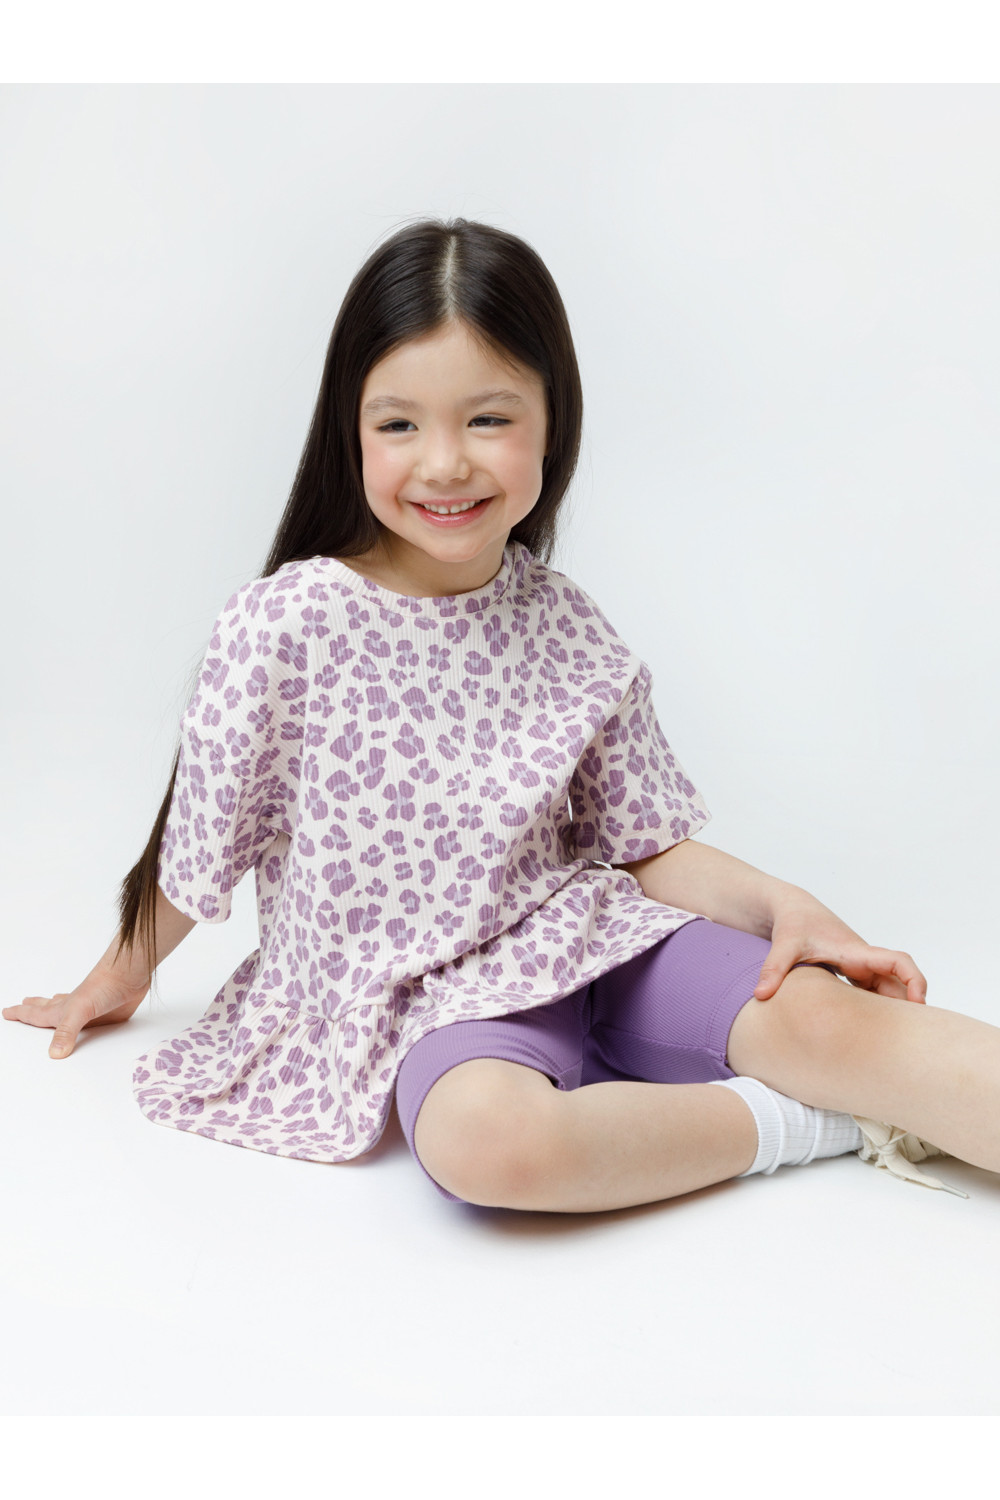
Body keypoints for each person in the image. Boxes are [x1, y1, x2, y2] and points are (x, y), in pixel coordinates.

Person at [4, 217, 993, 1213]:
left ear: (552, 422)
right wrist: (119, 974)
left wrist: (784, 906)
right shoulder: (287, 623)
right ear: (349, 431)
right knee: (491, 1145)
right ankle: (822, 1123)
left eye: (487, 419)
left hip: (601, 944)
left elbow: (644, 847)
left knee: (827, 1020)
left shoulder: (565, 622)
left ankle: (863, 1080)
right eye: (398, 424)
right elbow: (205, 839)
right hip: (431, 999)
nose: (444, 463)